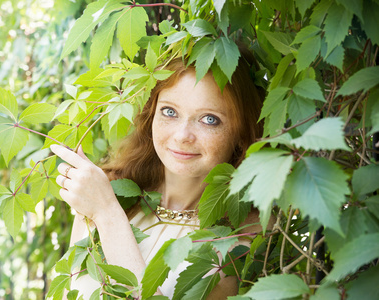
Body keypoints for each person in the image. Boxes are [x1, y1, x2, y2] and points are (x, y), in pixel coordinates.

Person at [50, 43, 265, 299]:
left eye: (209, 119)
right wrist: (103, 206)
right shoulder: (109, 189)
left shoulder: (241, 239)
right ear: (151, 115)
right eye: (170, 112)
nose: (182, 135)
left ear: (240, 134)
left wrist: (108, 216)